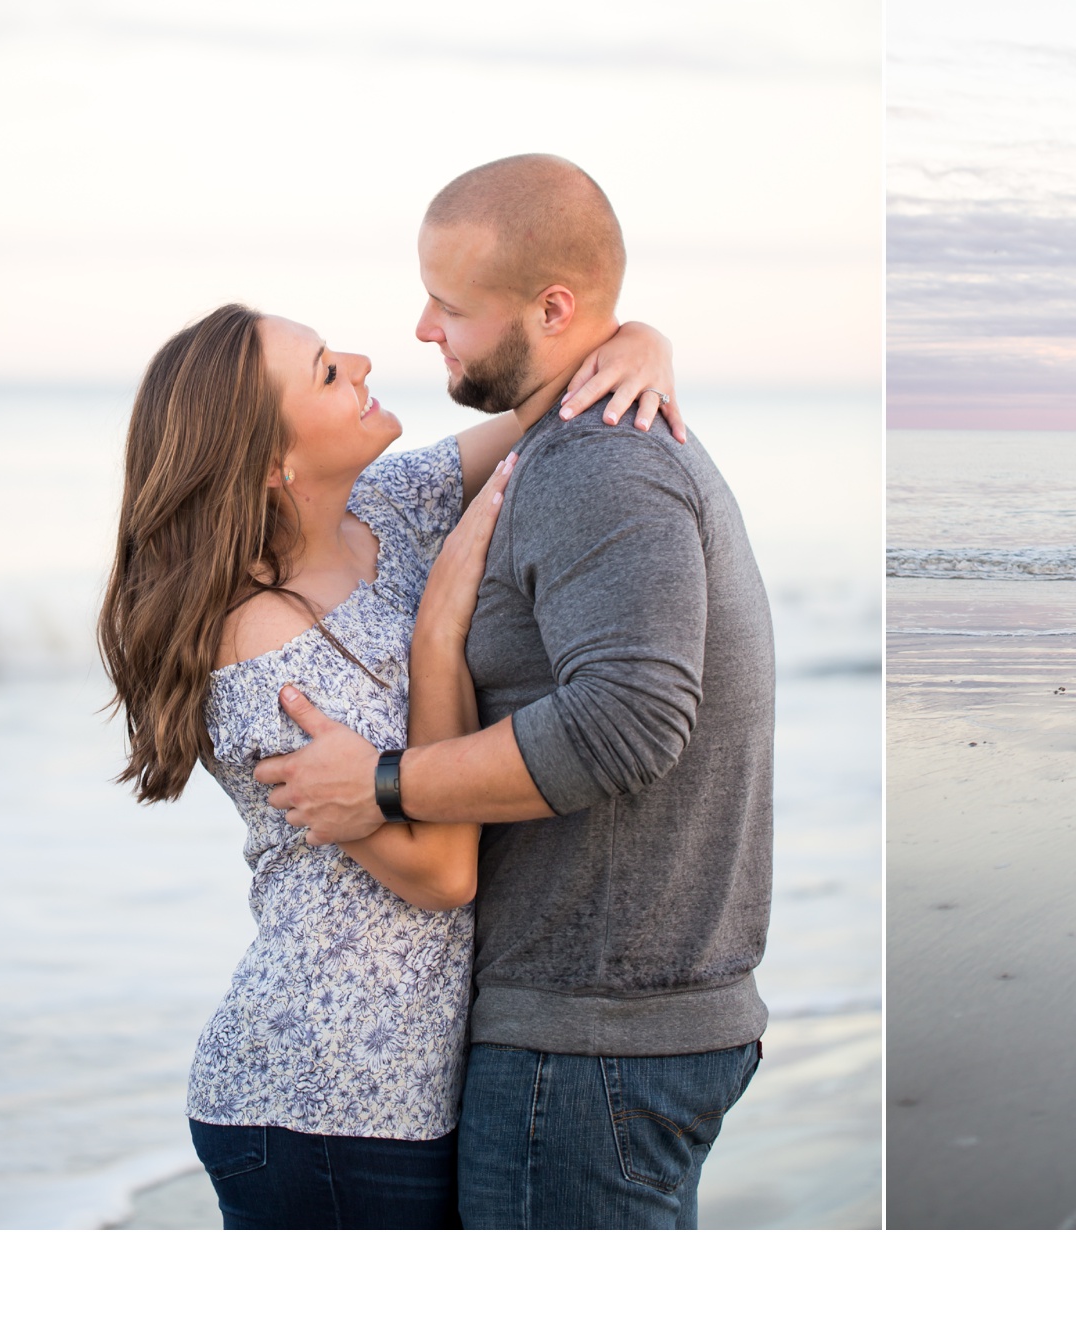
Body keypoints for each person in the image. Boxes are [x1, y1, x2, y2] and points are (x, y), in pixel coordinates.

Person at [260, 154, 776, 1230]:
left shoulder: (596, 463)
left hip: (590, 1042)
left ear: (551, 310)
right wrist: (635, 335)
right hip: (606, 1031)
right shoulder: (557, 446)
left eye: (449, 306)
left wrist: (388, 783)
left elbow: (628, 723)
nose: (418, 329)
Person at [98, 299, 678, 1229]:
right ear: (272, 463)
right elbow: (441, 872)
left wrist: (644, 343)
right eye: (328, 370)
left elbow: (552, 409)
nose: (364, 360)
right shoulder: (260, 648)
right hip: (327, 1101)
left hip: (407, 1089)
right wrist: (437, 637)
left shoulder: (386, 507)